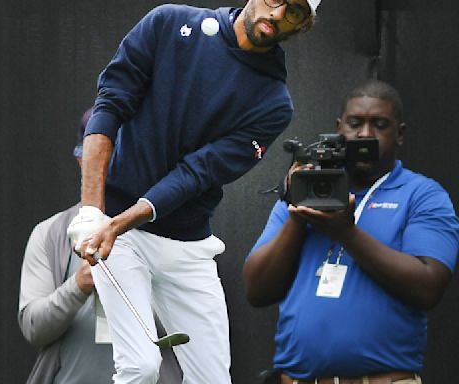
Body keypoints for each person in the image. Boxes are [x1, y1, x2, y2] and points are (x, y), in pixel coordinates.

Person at [68, 1, 323, 383]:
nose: (277, 13)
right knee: (140, 366)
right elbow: (111, 103)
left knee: (213, 379)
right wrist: (92, 211)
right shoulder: (169, 23)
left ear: (303, 25)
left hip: (185, 245)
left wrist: (118, 222)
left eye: (295, 11)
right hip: (119, 235)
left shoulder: (273, 103)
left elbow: (198, 172)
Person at [243, 79, 459, 384]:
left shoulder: (422, 195)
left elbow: (428, 287)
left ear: (400, 134)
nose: (366, 134)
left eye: (380, 125)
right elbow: (257, 291)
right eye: (355, 123)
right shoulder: (306, 189)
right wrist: (298, 216)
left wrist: (347, 233)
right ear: (338, 127)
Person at [18, 108, 182, 384]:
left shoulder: (173, 229)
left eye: (121, 154)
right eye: (97, 154)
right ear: (81, 159)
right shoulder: (50, 233)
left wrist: (132, 280)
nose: (110, 164)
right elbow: (34, 328)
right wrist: (79, 285)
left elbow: (192, 328)